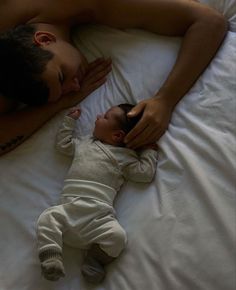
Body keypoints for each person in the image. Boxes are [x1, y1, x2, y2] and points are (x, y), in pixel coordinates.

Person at [0, 0, 227, 155]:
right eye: (67, 87)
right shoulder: (17, 61)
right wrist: (61, 102)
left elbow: (209, 22)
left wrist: (165, 100)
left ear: (45, 39)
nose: (75, 84)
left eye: (63, 76)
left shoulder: (104, 4)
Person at [36, 103, 158, 283]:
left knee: (118, 237)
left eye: (105, 117)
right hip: (68, 210)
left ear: (117, 135)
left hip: (98, 217)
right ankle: (51, 258)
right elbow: (63, 145)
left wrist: (149, 150)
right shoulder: (84, 143)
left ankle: (95, 259)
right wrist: (69, 122)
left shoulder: (125, 157)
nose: (98, 116)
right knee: (47, 218)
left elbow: (144, 174)